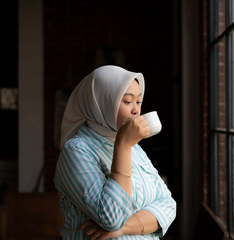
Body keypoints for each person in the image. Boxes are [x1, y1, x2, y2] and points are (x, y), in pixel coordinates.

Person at [54, 65, 176, 239]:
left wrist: (123, 228)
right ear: (101, 103)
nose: (136, 110)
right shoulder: (76, 151)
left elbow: (168, 205)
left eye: (138, 102)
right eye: (127, 101)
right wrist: (123, 147)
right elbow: (111, 219)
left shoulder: (135, 149)